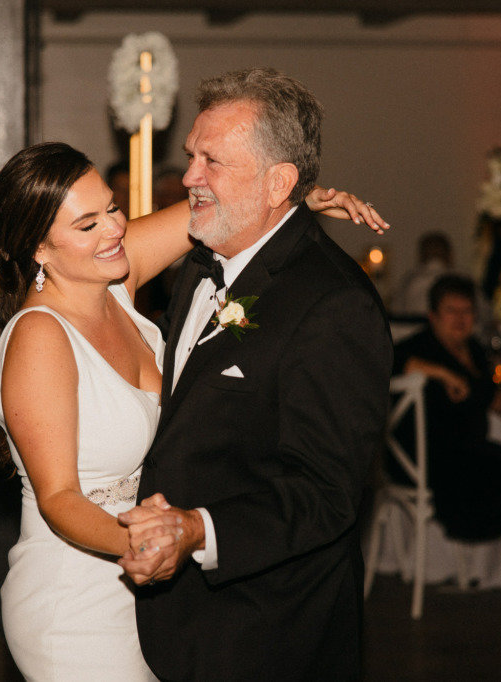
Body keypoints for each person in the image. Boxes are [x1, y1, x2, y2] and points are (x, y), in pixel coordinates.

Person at [0, 139, 386, 679]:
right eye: (87, 225)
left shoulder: (112, 285)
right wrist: (149, 543)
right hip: (77, 592)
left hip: (144, 589)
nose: (113, 230)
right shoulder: (40, 337)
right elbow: (58, 498)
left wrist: (287, 200)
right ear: (39, 250)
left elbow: (210, 217)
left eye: (112, 208)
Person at [114, 68, 393, 681]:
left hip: (267, 631)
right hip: (176, 616)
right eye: (191, 155)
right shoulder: (204, 261)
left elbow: (325, 493)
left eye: (211, 160)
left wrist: (195, 529)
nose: (187, 176)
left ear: (278, 183)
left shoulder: (333, 305)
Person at [391, 274, 501, 606]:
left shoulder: (472, 349)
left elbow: (491, 394)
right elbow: (389, 359)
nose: (460, 319)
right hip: (433, 461)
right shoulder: (420, 347)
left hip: (469, 452)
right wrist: (443, 374)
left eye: (467, 311)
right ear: (433, 316)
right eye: (451, 311)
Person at [394, 231, 453, 317]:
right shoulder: (463, 280)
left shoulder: (409, 281)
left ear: (421, 254)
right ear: (449, 254)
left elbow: (396, 312)